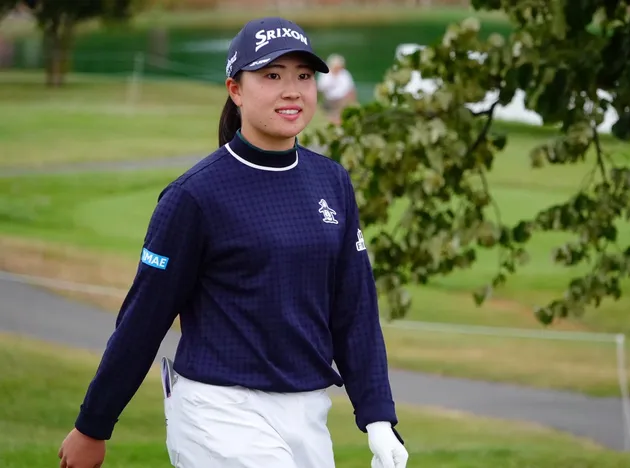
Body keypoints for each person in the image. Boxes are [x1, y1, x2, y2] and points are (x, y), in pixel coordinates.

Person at [57, 16, 409, 468]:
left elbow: (354, 309)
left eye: (303, 76)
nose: (292, 90)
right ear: (235, 90)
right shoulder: (195, 196)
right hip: (218, 412)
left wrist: (378, 417)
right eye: (272, 76)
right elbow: (144, 318)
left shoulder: (332, 181)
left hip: (308, 413)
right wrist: (93, 424)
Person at [317, 53, 356, 125]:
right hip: (328, 100)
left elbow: (351, 89)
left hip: (342, 100)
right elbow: (320, 89)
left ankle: (338, 118)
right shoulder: (325, 74)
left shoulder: (345, 74)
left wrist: (353, 101)